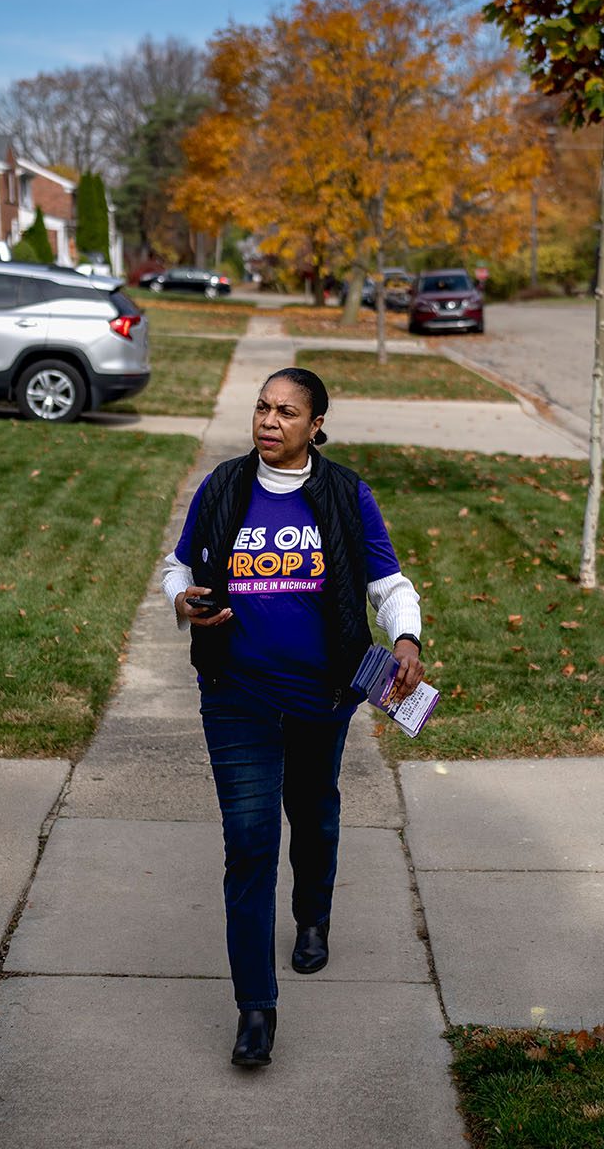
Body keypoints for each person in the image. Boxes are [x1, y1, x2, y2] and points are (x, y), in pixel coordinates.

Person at [162, 367, 424, 1068]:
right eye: (261, 408)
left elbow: (387, 583)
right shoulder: (224, 487)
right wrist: (182, 600)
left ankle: (313, 916)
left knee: (312, 813)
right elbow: (177, 566)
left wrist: (406, 639)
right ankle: (256, 1009)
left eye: (286, 412)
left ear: (315, 425)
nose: (269, 421)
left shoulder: (343, 493)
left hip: (322, 696)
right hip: (235, 693)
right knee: (248, 846)